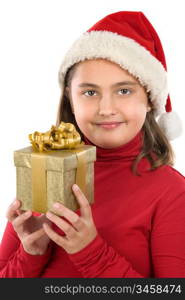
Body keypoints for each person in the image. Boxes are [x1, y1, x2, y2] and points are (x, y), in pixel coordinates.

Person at [0, 11, 185, 278]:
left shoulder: (172, 193)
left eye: (124, 91)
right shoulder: (43, 171)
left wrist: (90, 252)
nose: (106, 108)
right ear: (70, 99)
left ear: (149, 99)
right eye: (89, 92)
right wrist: (31, 254)